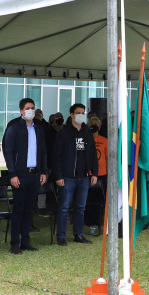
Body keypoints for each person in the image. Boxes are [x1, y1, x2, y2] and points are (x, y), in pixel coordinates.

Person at [2, 98, 48, 254]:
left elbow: (43, 151)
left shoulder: (38, 128)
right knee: (18, 210)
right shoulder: (14, 127)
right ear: (21, 111)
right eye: (28, 108)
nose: (30, 110)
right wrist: (12, 174)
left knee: (29, 210)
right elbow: (8, 152)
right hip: (20, 175)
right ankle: (15, 243)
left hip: (34, 174)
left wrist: (43, 171)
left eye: (32, 108)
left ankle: (26, 241)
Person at [52, 103, 98, 245]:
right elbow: (56, 156)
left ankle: (78, 234)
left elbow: (93, 154)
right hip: (67, 177)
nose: (81, 115)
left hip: (84, 176)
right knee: (64, 207)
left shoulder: (87, 132)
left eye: (83, 113)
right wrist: (58, 176)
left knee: (80, 207)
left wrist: (94, 173)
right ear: (71, 114)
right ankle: (61, 237)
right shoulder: (64, 133)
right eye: (78, 113)